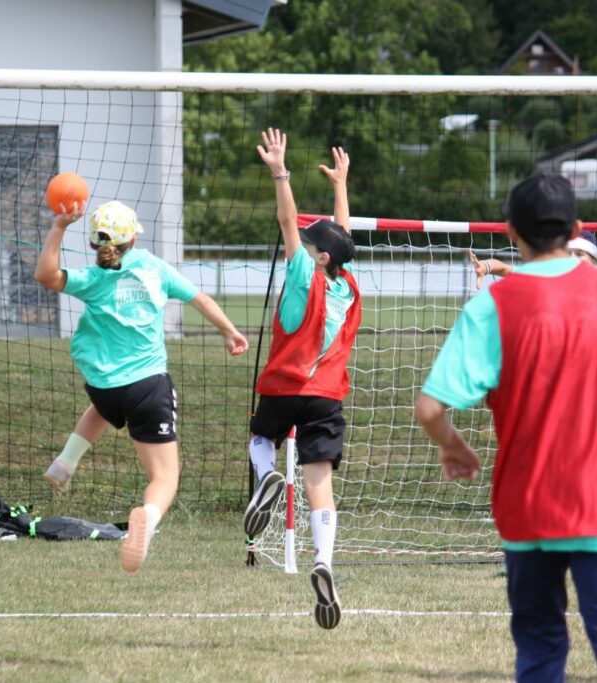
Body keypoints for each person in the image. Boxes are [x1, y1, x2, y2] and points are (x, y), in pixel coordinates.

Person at [415, 171, 597, 682]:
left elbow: (429, 409)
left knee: (539, 654)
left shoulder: (493, 303)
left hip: (527, 506)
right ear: (577, 230)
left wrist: (455, 448)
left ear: (510, 232)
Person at [35, 199, 248, 573]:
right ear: (133, 237)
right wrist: (229, 331)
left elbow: (46, 276)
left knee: (102, 410)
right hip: (147, 386)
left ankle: (64, 463)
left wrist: (58, 228)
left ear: (96, 242)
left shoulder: (93, 279)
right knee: (165, 478)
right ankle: (147, 519)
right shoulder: (153, 267)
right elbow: (199, 298)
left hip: (103, 388)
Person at [244, 128, 360, 630]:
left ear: (319, 257)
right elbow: (342, 238)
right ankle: (324, 560)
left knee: (260, 438)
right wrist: (340, 186)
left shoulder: (300, 272)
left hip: (284, 387)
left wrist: (280, 173)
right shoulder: (347, 285)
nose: (305, 244)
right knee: (319, 481)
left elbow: (288, 219)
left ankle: (267, 474)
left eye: (312, 246)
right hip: (326, 398)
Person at [469, 229, 597, 288]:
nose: (572, 258)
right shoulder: (547, 276)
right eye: (567, 253)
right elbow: (504, 268)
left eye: (579, 254)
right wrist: (486, 266)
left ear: (594, 261)